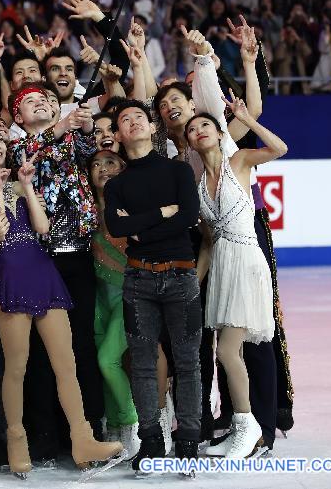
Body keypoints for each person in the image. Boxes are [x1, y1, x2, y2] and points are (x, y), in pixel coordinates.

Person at [0, 123, 122, 476]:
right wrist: (1, 190)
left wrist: (27, 187)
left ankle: (83, 438)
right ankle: (16, 440)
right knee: (17, 367)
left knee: (67, 363)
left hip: (42, 271)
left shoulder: (19, 183)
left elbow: (43, 228)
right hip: (11, 275)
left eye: (0, 139)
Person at [102, 99, 202, 472]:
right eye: (124, 120)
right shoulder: (117, 185)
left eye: (139, 117)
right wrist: (161, 213)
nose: (133, 123)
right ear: (118, 134)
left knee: (188, 362)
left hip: (180, 276)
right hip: (138, 280)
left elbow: (190, 217)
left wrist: (141, 228)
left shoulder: (177, 171)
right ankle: (151, 441)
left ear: (152, 126)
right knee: (142, 365)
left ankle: (188, 440)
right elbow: (117, 228)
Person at [6, 84, 107, 451]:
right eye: (31, 101)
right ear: (17, 117)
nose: (43, 103)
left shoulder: (69, 140)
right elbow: (28, 156)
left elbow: (88, 146)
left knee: (80, 343)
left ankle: (89, 428)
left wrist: (83, 126)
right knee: (39, 351)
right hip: (41, 257)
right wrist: (63, 125)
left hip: (78, 253)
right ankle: (44, 434)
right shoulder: (17, 146)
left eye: (47, 100)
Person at [186, 99, 286, 459]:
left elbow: (279, 148)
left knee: (228, 350)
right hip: (223, 267)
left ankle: (248, 425)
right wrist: (193, 285)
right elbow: (210, 244)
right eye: (193, 130)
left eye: (205, 126)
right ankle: (245, 428)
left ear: (218, 133)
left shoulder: (239, 162)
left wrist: (246, 120)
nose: (198, 132)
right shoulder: (198, 188)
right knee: (225, 350)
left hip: (246, 261)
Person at [87, 149, 140, 458]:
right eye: (95, 164)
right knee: (101, 363)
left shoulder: (134, 206)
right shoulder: (86, 207)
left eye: (109, 162)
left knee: (109, 360)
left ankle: (131, 423)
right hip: (97, 298)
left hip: (128, 294)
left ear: (123, 168)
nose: (102, 168)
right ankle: (114, 428)